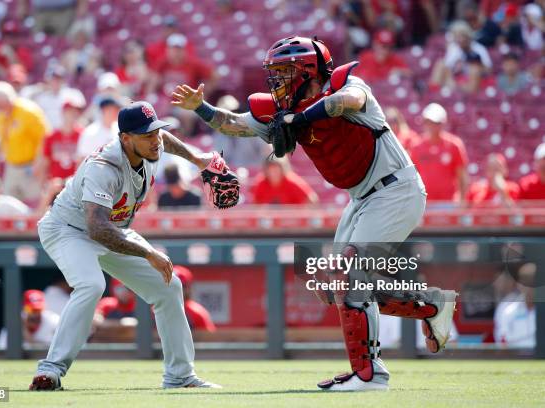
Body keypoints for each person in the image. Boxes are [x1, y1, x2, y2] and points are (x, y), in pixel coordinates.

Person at [173, 36, 457, 392]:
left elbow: (344, 102)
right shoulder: (283, 107)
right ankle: (430, 306)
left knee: (348, 274)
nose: (276, 80)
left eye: (283, 71)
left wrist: (301, 117)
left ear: (307, 69)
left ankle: (370, 374)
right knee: (333, 285)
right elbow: (236, 124)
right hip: (362, 198)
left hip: (395, 187)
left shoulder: (347, 85)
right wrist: (201, 108)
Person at [30, 101, 223, 390]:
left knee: (168, 285)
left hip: (113, 229)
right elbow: (96, 228)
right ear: (125, 139)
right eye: (146, 135)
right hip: (69, 229)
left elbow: (164, 139)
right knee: (91, 284)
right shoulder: (104, 166)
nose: (155, 140)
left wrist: (197, 158)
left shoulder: (149, 146)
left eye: (155, 132)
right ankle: (51, 371)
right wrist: (148, 252)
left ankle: (180, 377)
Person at [0, 81, 49, 203]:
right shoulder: (1, 115)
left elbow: (45, 138)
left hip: (31, 166)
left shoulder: (29, 112)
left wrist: (39, 162)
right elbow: (0, 137)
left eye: (2, 104)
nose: (0, 108)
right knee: (10, 203)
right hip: (12, 167)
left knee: (34, 203)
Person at [410, 103, 469, 204]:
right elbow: (412, 176)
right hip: (424, 202)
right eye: (429, 122)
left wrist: (462, 199)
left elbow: (462, 176)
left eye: (436, 122)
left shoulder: (454, 145)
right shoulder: (416, 146)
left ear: (443, 123)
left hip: (449, 202)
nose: (432, 126)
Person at [494, 263, 536, 348]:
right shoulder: (508, 311)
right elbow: (502, 341)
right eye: (526, 283)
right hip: (515, 358)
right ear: (519, 285)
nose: (530, 288)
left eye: (533, 284)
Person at [251, 157, 318, 205]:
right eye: (271, 169)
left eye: (276, 169)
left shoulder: (292, 181)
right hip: (268, 222)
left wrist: (299, 215)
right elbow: (255, 204)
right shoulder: (261, 183)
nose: (273, 173)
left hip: (292, 223)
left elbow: (312, 199)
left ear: (282, 169)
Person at [76, 97, 120, 162]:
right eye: (114, 109)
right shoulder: (90, 132)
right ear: (105, 110)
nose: (117, 112)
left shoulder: (119, 129)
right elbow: (82, 159)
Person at [173, 266, 216, 332]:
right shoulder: (154, 311)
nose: (176, 290)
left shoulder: (197, 313)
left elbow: (210, 338)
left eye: (182, 286)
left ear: (188, 288)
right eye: (171, 286)